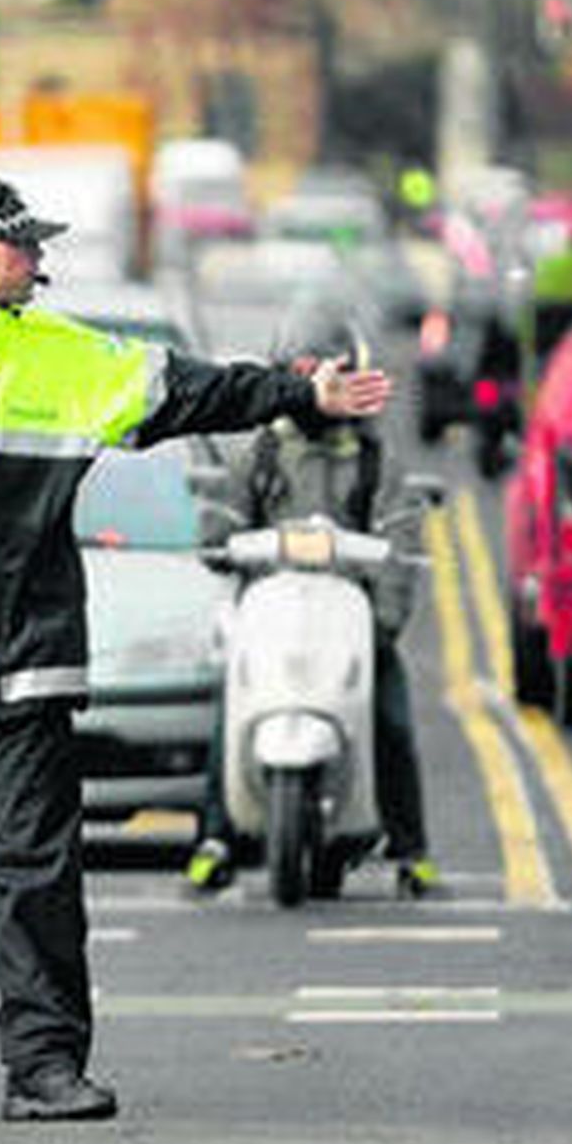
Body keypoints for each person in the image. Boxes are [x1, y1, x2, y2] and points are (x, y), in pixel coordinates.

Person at [0, 176, 391, 1122]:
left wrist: (298, 390)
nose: (39, 261)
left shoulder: (66, 353)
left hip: (29, 650)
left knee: (36, 870)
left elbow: (189, 388)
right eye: (22, 246)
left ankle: (45, 1068)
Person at [185, 301, 439, 899]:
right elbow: (217, 529)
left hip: (352, 622)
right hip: (271, 622)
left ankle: (411, 848)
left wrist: (384, 622)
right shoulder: (260, 453)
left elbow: (402, 539)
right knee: (230, 710)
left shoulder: (377, 461)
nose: (322, 390)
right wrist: (223, 544)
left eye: (335, 375)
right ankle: (215, 836)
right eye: (306, 376)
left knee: (392, 717)